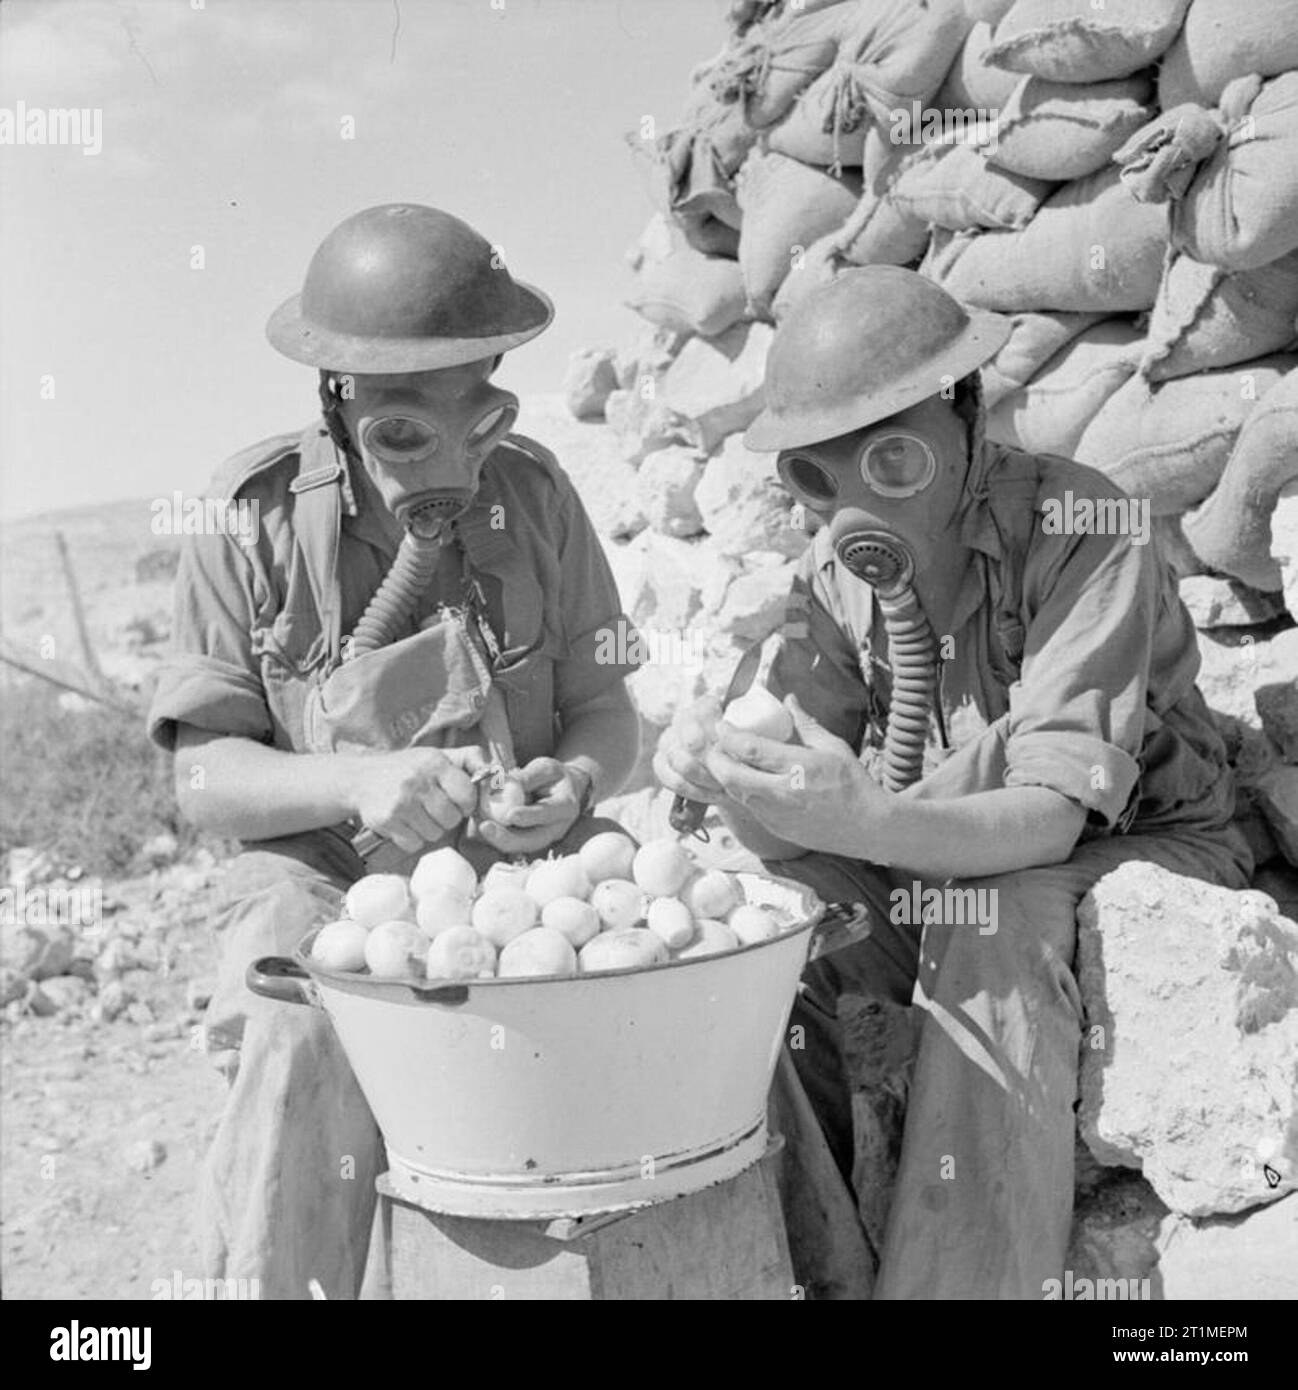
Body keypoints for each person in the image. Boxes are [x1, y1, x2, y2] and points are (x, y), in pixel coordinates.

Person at [655, 265, 1252, 1300]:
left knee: (994, 920)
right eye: (818, 474)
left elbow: (1051, 813)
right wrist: (724, 776)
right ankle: (809, 1273)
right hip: (922, 847)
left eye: (889, 456)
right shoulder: (832, 578)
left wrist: (869, 819)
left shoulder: (1080, 524)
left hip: (1124, 841)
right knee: (764, 936)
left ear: (963, 414)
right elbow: (808, 808)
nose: (854, 499)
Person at [147, 203, 640, 1299]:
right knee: (296, 1024)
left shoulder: (539, 499)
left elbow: (610, 709)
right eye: (406, 423)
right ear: (338, 400)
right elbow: (204, 778)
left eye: (481, 406)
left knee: (674, 982)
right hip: (325, 873)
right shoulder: (253, 519)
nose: (452, 453)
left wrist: (575, 780)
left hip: (522, 872)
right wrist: (359, 779)